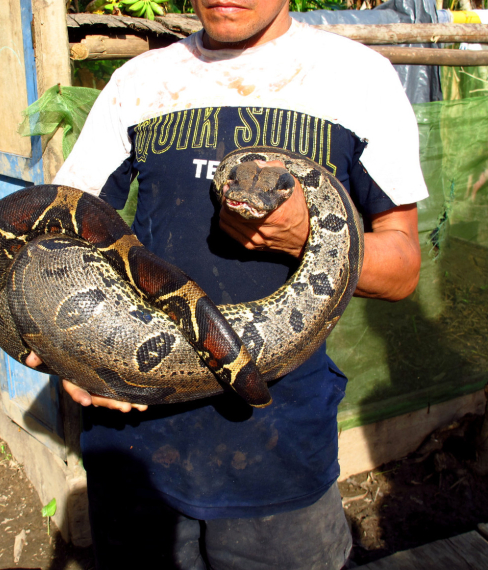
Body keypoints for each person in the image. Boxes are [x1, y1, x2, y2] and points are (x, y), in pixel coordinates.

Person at [27, 0, 427, 567]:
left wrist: (306, 237)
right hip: (136, 440)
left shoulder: (357, 78)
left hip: (277, 441)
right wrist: (68, 346)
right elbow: (63, 235)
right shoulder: (141, 81)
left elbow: (403, 267)